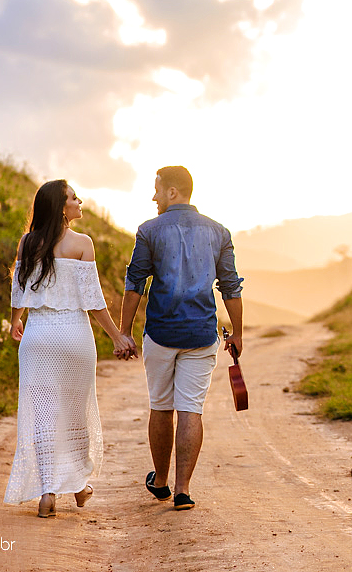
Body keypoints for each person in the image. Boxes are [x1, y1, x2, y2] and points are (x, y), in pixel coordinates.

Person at [5, 180, 136, 518]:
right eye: (74, 197)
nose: (80, 201)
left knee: (44, 417)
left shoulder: (27, 243)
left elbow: (19, 292)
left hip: (38, 338)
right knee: (75, 415)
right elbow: (93, 301)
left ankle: (49, 492)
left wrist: (14, 321)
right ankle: (78, 486)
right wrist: (116, 336)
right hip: (74, 337)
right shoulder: (82, 244)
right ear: (61, 207)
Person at [117, 165, 244, 511]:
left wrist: (125, 332)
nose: (153, 196)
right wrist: (238, 332)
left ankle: (160, 482)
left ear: (172, 192)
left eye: (156, 189)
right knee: (191, 408)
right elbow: (230, 286)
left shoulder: (149, 230)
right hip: (202, 334)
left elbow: (135, 284)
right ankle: (183, 489)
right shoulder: (219, 232)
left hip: (160, 332)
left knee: (161, 405)